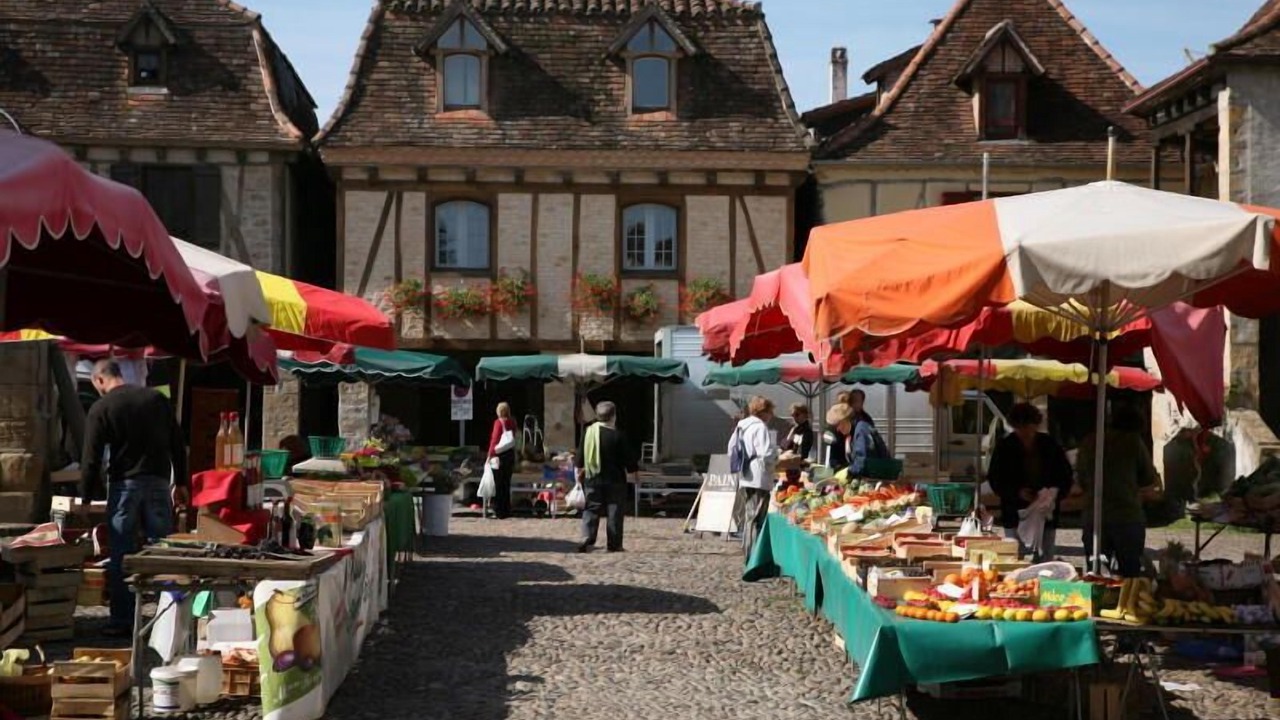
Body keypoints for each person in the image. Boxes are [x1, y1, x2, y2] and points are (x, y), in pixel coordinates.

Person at [79, 359, 189, 637]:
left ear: (99, 380)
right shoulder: (156, 399)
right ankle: (171, 619)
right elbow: (177, 441)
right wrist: (183, 482)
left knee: (122, 554)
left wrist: (86, 497)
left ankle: (123, 620)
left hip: (124, 484)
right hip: (159, 483)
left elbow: (90, 457)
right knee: (164, 552)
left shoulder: (101, 407)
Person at [1077, 404, 1157, 577]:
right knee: (1130, 573)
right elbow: (1147, 478)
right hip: (1126, 516)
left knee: (1096, 573)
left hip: (1094, 515)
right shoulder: (1133, 442)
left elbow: (1081, 478)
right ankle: (1127, 601)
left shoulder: (1090, 441)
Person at [986, 403, 1073, 561]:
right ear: (1014, 426)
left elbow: (1065, 475)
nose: (1026, 431)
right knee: (1013, 557)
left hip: (1045, 512)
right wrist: (1017, 492)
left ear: (1036, 425)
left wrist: (1051, 494)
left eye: (1029, 427)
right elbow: (996, 478)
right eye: (1021, 428)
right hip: (1014, 511)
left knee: (1045, 557)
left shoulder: (1050, 445)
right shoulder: (1005, 446)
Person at [575, 401, 638, 552]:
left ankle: (587, 537)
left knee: (591, 508)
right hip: (615, 479)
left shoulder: (589, 433)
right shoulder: (618, 435)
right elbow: (628, 458)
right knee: (614, 511)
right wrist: (634, 472)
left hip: (593, 478)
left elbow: (580, 457)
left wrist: (579, 472)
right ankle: (614, 544)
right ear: (613, 416)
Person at [731, 396, 779, 557]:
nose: (771, 415)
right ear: (763, 412)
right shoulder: (760, 427)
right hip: (758, 477)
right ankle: (753, 555)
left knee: (749, 516)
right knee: (757, 518)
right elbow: (766, 453)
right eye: (770, 412)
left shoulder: (741, 425)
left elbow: (731, 448)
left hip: (745, 475)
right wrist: (777, 455)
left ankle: (748, 551)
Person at [487, 402, 518, 519]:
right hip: (510, 455)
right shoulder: (512, 422)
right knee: (506, 483)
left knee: (498, 484)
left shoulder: (498, 422)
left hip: (499, 455)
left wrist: (489, 455)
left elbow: (494, 440)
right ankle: (506, 509)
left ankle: (499, 510)